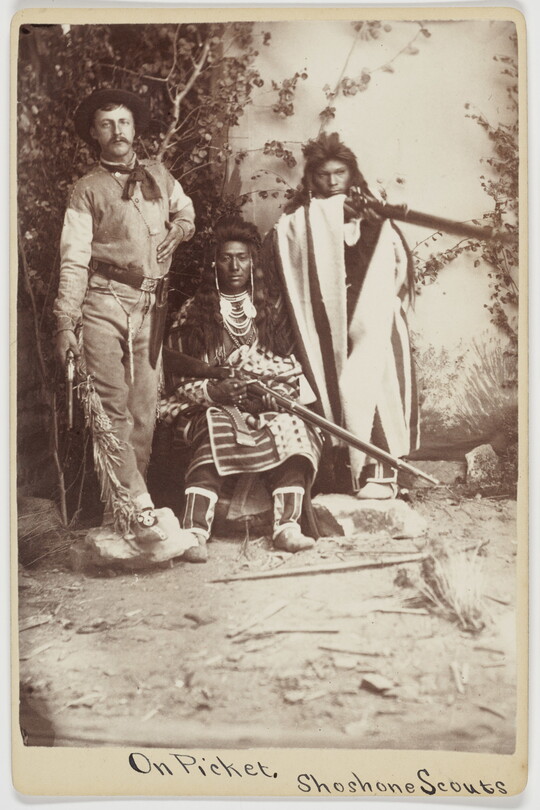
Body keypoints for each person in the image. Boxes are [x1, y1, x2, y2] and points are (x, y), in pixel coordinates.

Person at [53, 88, 196, 543]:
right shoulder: (86, 190)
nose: (117, 131)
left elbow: (186, 210)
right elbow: (74, 258)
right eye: (106, 124)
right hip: (103, 302)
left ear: (136, 128)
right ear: (93, 134)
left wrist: (180, 228)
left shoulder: (159, 174)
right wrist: (63, 321)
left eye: (124, 122)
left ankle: (129, 506)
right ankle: (136, 507)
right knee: (111, 408)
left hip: (151, 306)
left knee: (143, 411)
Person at [262, 132, 419, 499]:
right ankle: (339, 476)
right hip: (322, 324)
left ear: (352, 173)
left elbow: (394, 263)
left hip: (370, 316)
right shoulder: (296, 220)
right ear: (310, 178)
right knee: (330, 389)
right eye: (323, 175)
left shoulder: (373, 214)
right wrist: (329, 217)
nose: (332, 182)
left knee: (376, 382)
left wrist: (368, 222)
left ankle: (383, 473)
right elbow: (286, 254)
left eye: (340, 173)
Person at [162, 218, 323, 563]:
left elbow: (293, 365)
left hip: (266, 405)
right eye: (225, 258)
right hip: (212, 405)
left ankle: (287, 527)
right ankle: (194, 531)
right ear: (214, 264)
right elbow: (174, 374)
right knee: (216, 430)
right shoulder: (194, 313)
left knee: (294, 428)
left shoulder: (272, 311)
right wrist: (216, 391)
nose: (234, 266)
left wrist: (269, 390)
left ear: (253, 262)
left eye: (242, 258)